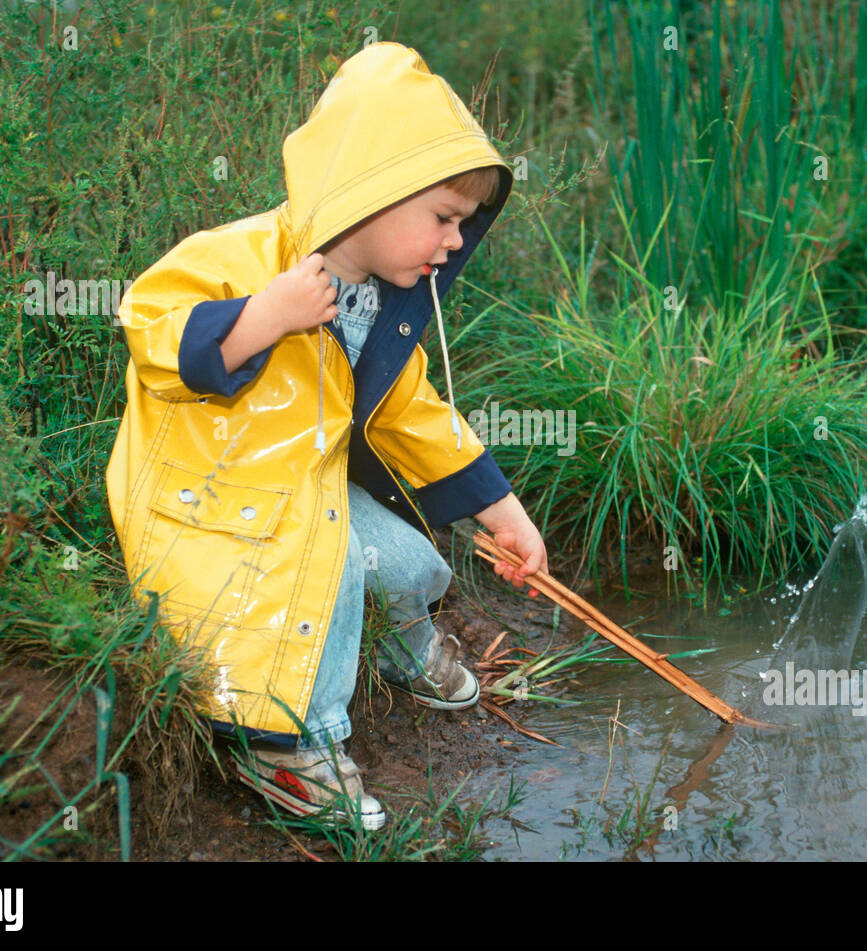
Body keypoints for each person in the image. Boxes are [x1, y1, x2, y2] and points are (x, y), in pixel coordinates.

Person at [105, 43, 547, 830]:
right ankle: (288, 744)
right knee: (327, 576)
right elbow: (150, 326)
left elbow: (413, 413)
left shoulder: (380, 300)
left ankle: (400, 647)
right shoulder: (236, 258)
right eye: (443, 218)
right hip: (213, 508)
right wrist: (261, 318)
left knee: (415, 563)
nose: (453, 241)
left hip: (302, 494)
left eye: (463, 224)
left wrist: (502, 512)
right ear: (371, 192)